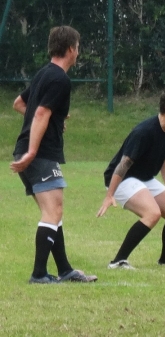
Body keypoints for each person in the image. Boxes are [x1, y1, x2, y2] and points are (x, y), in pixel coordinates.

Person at [10, 26, 97, 284]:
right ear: (71, 49)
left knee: (53, 211)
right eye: (78, 48)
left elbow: (20, 103)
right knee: (53, 210)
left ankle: (65, 270)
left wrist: (55, 120)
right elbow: (39, 113)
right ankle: (38, 274)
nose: (78, 53)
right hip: (40, 154)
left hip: (32, 151)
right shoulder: (60, 79)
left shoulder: (43, 74)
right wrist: (33, 151)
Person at [97, 87, 165, 269]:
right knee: (152, 213)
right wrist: (110, 195)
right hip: (122, 178)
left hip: (143, 177)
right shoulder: (145, 131)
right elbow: (123, 164)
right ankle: (118, 261)